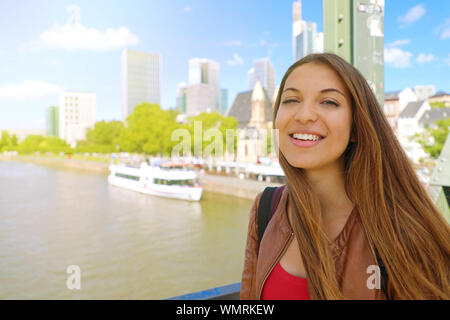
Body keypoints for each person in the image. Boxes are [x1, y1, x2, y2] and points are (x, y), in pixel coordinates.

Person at [240, 53, 450, 300]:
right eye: (290, 100)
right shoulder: (266, 209)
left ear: (356, 127)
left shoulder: (401, 230)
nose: (303, 115)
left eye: (329, 102)